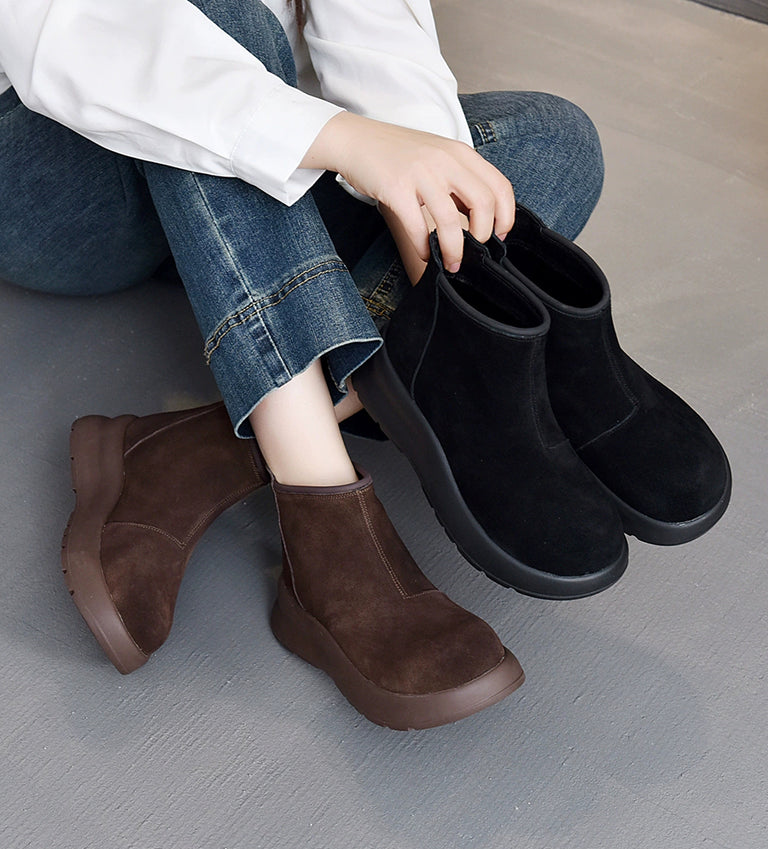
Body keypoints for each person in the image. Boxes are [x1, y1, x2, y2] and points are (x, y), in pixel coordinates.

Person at [1, 1, 729, 728]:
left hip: (267, 157)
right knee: (225, 26)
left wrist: (423, 228)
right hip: (64, 175)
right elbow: (69, 31)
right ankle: (320, 503)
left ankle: (199, 452)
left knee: (550, 142)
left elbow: (370, 19)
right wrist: (339, 139)